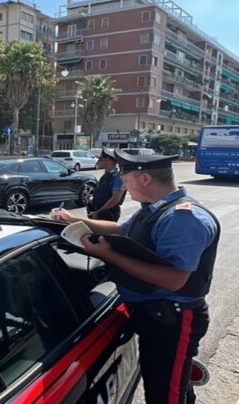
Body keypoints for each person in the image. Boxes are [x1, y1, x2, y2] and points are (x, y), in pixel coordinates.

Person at [50, 149, 220, 404]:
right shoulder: (156, 208)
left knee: (165, 394)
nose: (125, 187)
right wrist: (75, 220)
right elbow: (122, 230)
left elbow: (174, 279)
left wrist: (109, 255)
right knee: (173, 384)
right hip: (159, 315)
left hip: (173, 319)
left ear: (145, 179)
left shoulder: (184, 218)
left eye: (127, 180)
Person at [86, 148, 126, 221]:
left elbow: (115, 199)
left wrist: (98, 211)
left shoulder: (117, 176)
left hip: (107, 213)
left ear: (109, 162)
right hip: (97, 210)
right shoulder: (107, 174)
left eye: (101, 159)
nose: (98, 161)